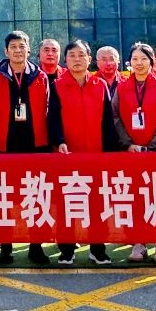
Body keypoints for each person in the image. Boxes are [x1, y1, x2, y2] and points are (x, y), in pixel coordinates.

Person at [0, 30, 66, 266]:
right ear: (6, 51)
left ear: (29, 50)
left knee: (36, 196)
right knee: (4, 197)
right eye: (13, 47)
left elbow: (49, 110)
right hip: (4, 145)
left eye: (22, 46)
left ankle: (36, 246)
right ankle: (6, 247)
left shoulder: (40, 76)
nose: (18, 50)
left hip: (36, 144)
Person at [114, 43, 156, 263]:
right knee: (135, 198)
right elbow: (115, 117)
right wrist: (127, 144)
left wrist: (154, 145)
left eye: (143, 59)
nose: (139, 63)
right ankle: (138, 242)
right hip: (131, 153)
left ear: (152, 62)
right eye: (135, 59)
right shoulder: (122, 87)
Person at [57, 39, 116, 266]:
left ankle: (97, 249)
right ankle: (67, 249)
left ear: (89, 59)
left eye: (81, 55)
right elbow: (52, 119)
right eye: (72, 55)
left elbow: (108, 122)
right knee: (67, 201)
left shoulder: (100, 85)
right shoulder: (57, 85)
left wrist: (109, 152)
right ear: (66, 60)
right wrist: (59, 141)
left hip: (95, 154)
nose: (77, 59)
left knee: (97, 203)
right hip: (67, 155)